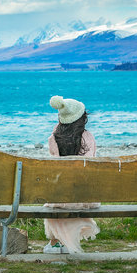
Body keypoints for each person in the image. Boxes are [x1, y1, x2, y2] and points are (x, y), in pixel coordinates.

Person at [43, 95, 100, 254]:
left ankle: (55, 243)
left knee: (54, 202)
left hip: (62, 196)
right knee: (70, 197)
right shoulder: (88, 137)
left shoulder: (54, 139)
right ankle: (65, 242)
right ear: (82, 117)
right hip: (86, 197)